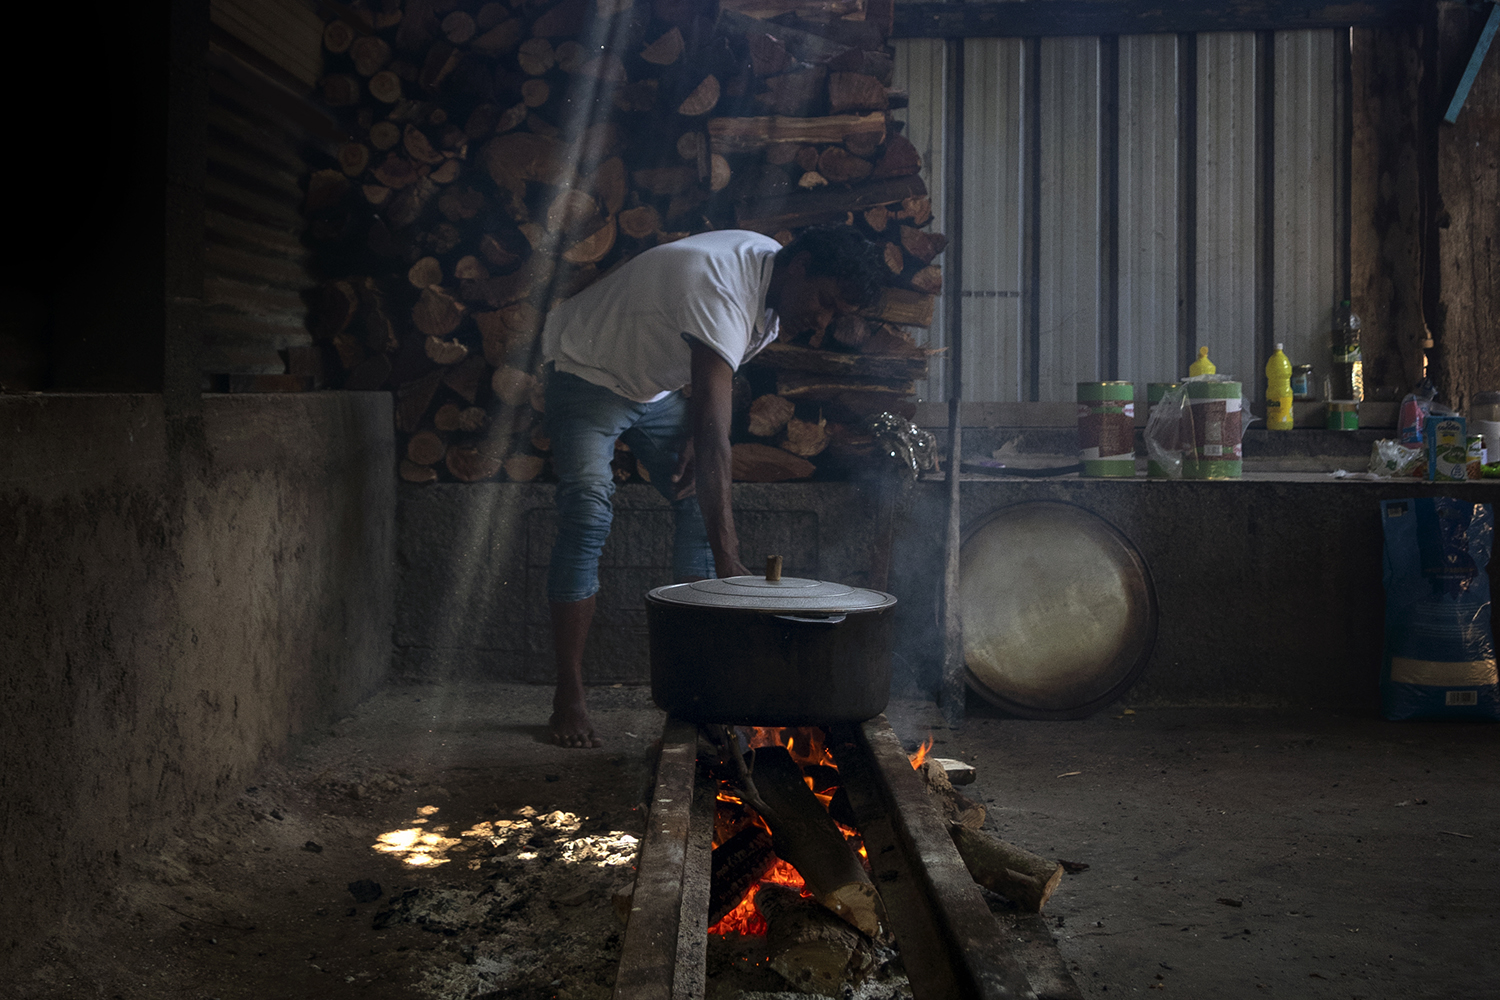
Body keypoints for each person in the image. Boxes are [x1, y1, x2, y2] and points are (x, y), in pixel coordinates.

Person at [539, 224, 886, 747]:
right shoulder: (724, 285)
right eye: (823, 302)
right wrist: (730, 562)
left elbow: (711, 384)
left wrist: (700, 417)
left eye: (836, 315)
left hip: (652, 391)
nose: (822, 321)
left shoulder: (775, 281)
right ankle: (568, 694)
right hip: (584, 370)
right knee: (588, 510)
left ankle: (704, 692)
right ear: (801, 266)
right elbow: (714, 433)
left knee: (694, 507)